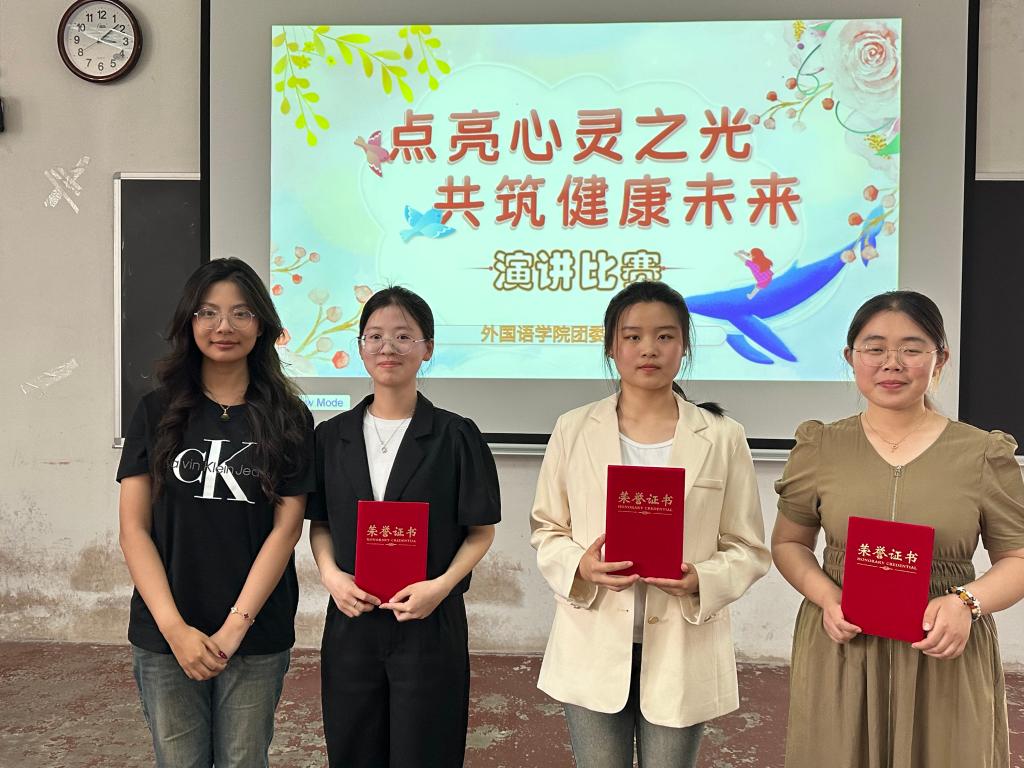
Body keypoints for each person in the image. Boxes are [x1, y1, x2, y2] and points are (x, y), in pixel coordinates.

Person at [772, 290, 1024, 768]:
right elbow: (788, 543)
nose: (892, 363)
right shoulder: (821, 446)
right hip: (844, 646)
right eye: (874, 348)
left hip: (943, 648)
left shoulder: (982, 454)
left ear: (939, 358)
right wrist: (827, 597)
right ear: (850, 357)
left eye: (911, 348)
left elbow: (1018, 557)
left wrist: (966, 603)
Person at [530, 280, 771, 768]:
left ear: (684, 346)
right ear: (611, 347)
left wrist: (701, 577)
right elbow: (547, 528)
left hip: (683, 641)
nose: (649, 349)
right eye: (633, 336)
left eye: (665, 336)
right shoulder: (573, 429)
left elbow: (748, 546)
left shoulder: (723, 437)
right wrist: (581, 565)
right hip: (593, 635)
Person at [117, 257, 315, 767]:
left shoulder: (290, 417)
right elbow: (134, 530)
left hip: (255, 632)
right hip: (166, 633)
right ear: (189, 322)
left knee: (244, 760)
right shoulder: (155, 410)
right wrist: (174, 629)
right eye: (208, 312)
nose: (223, 326)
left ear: (262, 325)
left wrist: (234, 628)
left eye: (241, 313)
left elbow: (285, 531)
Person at [307, 286, 500, 768]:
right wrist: (331, 577)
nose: (387, 347)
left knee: (427, 752)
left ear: (427, 348)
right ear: (360, 347)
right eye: (374, 336)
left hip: (428, 622)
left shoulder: (456, 436)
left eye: (402, 336)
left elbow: (480, 532)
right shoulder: (331, 436)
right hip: (352, 621)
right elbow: (321, 523)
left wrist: (441, 586)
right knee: (352, 750)